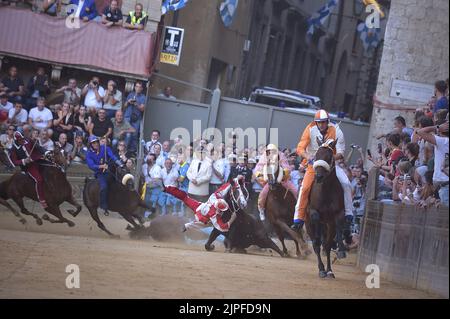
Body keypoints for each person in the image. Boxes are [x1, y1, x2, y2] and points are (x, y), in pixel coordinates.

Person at [292, 110, 354, 241]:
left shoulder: (337, 131)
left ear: (328, 121)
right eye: (318, 123)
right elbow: (300, 148)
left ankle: (348, 214)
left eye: (323, 122)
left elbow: (341, 153)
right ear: (316, 122)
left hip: (331, 164)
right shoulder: (309, 128)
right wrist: (308, 156)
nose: (321, 125)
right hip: (313, 164)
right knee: (305, 188)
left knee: (346, 184)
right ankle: (298, 219)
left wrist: (328, 158)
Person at [163, 185, 238, 233]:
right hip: (201, 217)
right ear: (219, 209)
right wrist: (232, 219)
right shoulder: (214, 215)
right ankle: (187, 226)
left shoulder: (214, 197)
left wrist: (234, 182)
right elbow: (222, 227)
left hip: (199, 206)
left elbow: (222, 188)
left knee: (184, 197)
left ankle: (166, 189)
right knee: (207, 224)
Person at [254, 144, 298, 221]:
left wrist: (285, 172)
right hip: (270, 181)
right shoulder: (264, 156)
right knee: (262, 194)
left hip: (283, 180)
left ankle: (299, 208)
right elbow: (258, 167)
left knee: (295, 190)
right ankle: (261, 210)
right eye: (269, 151)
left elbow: (286, 166)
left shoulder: (281, 155)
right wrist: (258, 173)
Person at [9, 131, 49, 208]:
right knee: (39, 180)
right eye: (20, 140)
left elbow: (38, 147)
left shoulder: (28, 140)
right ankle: (41, 198)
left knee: (52, 167)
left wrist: (46, 152)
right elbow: (14, 162)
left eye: (22, 139)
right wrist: (24, 161)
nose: (22, 141)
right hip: (28, 167)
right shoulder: (13, 149)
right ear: (16, 141)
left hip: (37, 160)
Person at [86, 135, 123, 215]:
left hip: (109, 171)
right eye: (93, 143)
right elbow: (91, 165)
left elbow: (112, 156)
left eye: (96, 142)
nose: (95, 144)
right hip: (100, 174)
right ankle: (104, 206)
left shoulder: (105, 148)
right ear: (91, 145)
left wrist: (119, 163)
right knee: (104, 187)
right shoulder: (89, 154)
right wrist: (101, 166)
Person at [417, 119, 449, 206]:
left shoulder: (444, 141)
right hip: (442, 185)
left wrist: (437, 127)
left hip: (445, 185)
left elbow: (420, 132)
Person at [124, 81, 146, 151]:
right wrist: (128, 101)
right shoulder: (131, 94)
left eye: (139, 87)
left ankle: (132, 151)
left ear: (142, 88)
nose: (138, 88)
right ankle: (124, 149)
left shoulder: (143, 97)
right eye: (136, 86)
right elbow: (124, 106)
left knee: (134, 135)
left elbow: (142, 109)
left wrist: (136, 103)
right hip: (127, 116)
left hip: (136, 118)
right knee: (126, 134)